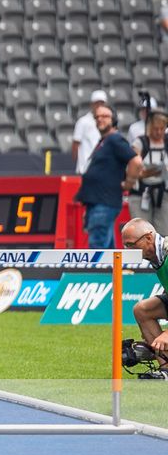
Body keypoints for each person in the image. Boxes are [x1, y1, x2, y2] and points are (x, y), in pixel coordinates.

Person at [80, 103, 139, 248]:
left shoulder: (114, 139)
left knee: (98, 251)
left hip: (104, 203)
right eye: (97, 117)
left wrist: (129, 183)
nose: (100, 119)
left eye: (105, 116)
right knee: (108, 254)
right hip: (98, 204)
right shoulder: (104, 142)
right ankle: (113, 272)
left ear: (114, 119)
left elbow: (136, 161)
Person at [121, 218, 168, 376]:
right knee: (142, 310)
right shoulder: (157, 253)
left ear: (148, 237)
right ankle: (166, 370)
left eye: (131, 245)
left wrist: (167, 334)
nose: (128, 250)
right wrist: (151, 339)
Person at [133, 110, 168, 232]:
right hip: (141, 192)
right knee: (142, 232)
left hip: (163, 192)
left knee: (164, 232)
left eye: (162, 129)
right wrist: (154, 171)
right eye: (155, 129)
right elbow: (134, 169)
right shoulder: (140, 143)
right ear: (149, 127)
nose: (158, 132)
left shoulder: (166, 143)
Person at [75, 91, 112, 171]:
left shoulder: (109, 121)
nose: (99, 106)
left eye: (101, 103)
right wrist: (79, 164)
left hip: (101, 168)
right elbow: (75, 144)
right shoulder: (82, 121)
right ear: (91, 104)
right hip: (84, 168)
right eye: (96, 103)